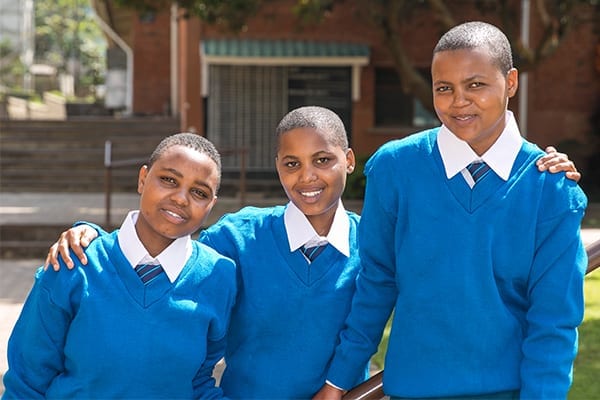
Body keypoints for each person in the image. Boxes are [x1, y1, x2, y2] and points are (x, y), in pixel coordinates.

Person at [44, 108, 580, 399]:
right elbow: (162, 248)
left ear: (349, 160)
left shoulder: (376, 244)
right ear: (277, 168)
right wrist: (91, 232)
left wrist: (542, 165)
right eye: (291, 164)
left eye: (322, 160)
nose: (308, 178)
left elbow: (457, 253)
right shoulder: (239, 236)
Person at [314, 21, 587, 399]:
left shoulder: (552, 190)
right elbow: (376, 281)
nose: (459, 100)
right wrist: (339, 380)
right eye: (444, 88)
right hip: (412, 390)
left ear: (510, 82)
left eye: (475, 84)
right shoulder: (395, 169)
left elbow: (554, 322)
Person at [3, 133, 236, 399]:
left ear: (211, 205)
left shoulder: (219, 276)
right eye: (169, 180)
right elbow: (27, 382)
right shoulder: (74, 263)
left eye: (199, 192)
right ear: (142, 179)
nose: (181, 198)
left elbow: (198, 384)